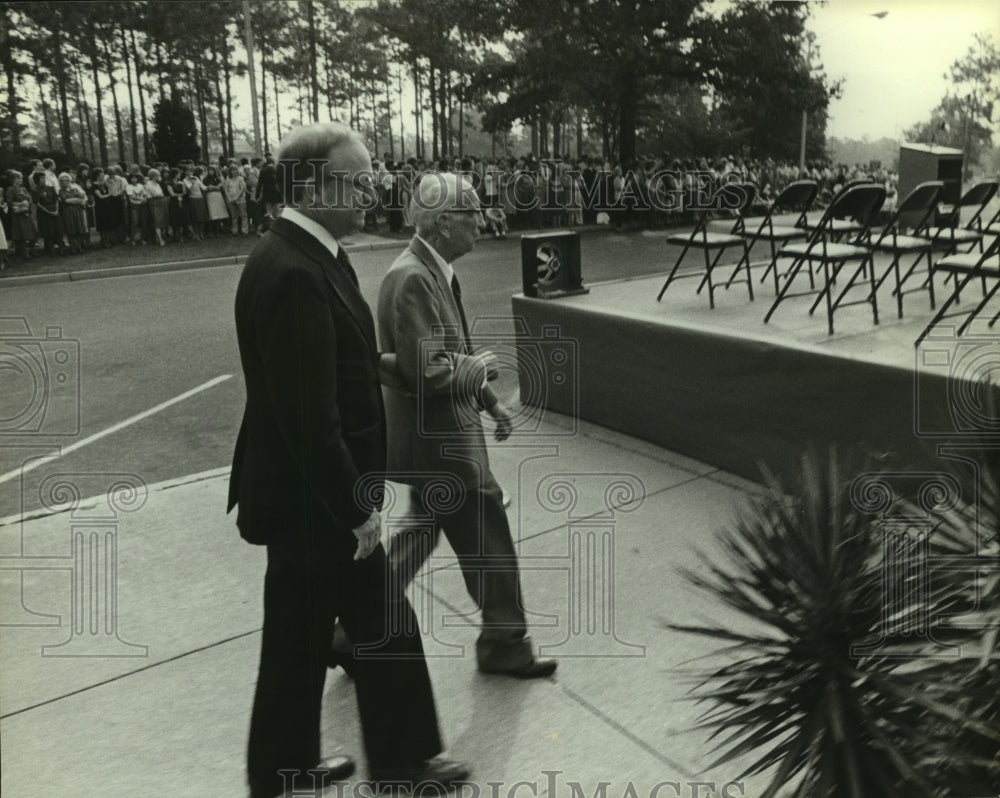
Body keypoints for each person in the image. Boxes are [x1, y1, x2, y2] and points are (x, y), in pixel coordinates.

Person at [227, 121, 468, 798]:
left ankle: (283, 769)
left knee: (299, 643)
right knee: (385, 624)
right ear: (312, 184)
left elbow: (342, 367)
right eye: (358, 178)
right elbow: (310, 417)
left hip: (308, 495)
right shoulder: (295, 272)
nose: (375, 189)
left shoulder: (309, 254)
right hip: (319, 499)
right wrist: (356, 509)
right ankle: (405, 763)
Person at [376, 171, 558, 679]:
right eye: (472, 212)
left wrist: (489, 402)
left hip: (433, 438)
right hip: (444, 446)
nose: (482, 220)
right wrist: (478, 371)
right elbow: (427, 368)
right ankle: (504, 642)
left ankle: (355, 627)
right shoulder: (413, 276)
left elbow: (449, 350)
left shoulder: (431, 269)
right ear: (440, 222)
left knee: (420, 531)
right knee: (488, 533)